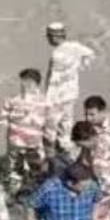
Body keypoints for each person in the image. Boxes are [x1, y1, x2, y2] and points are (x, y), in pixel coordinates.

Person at [44, 23, 95, 156]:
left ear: (54, 36)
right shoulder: (75, 47)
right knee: (66, 123)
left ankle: (53, 155)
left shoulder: (58, 53)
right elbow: (90, 54)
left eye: (49, 36)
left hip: (57, 95)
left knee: (51, 127)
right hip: (70, 93)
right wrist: (80, 67)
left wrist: (47, 97)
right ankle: (66, 151)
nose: (48, 39)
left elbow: (53, 78)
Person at [0, 68, 50, 197]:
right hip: (16, 143)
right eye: (22, 81)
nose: (23, 85)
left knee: (36, 169)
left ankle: (35, 194)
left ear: (34, 83)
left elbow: (49, 123)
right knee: (15, 170)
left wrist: (48, 140)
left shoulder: (44, 102)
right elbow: (3, 119)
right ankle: (14, 194)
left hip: (34, 144)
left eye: (27, 81)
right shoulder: (13, 100)